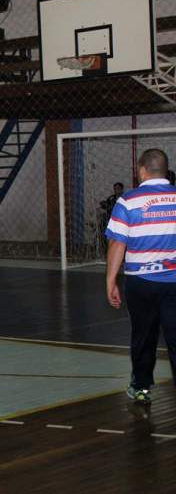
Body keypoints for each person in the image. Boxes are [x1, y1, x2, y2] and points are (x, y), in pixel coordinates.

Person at [105, 149, 176, 404]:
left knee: (143, 336)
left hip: (141, 283)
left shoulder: (128, 201)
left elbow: (117, 245)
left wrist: (110, 280)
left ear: (141, 169)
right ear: (165, 170)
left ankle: (141, 388)